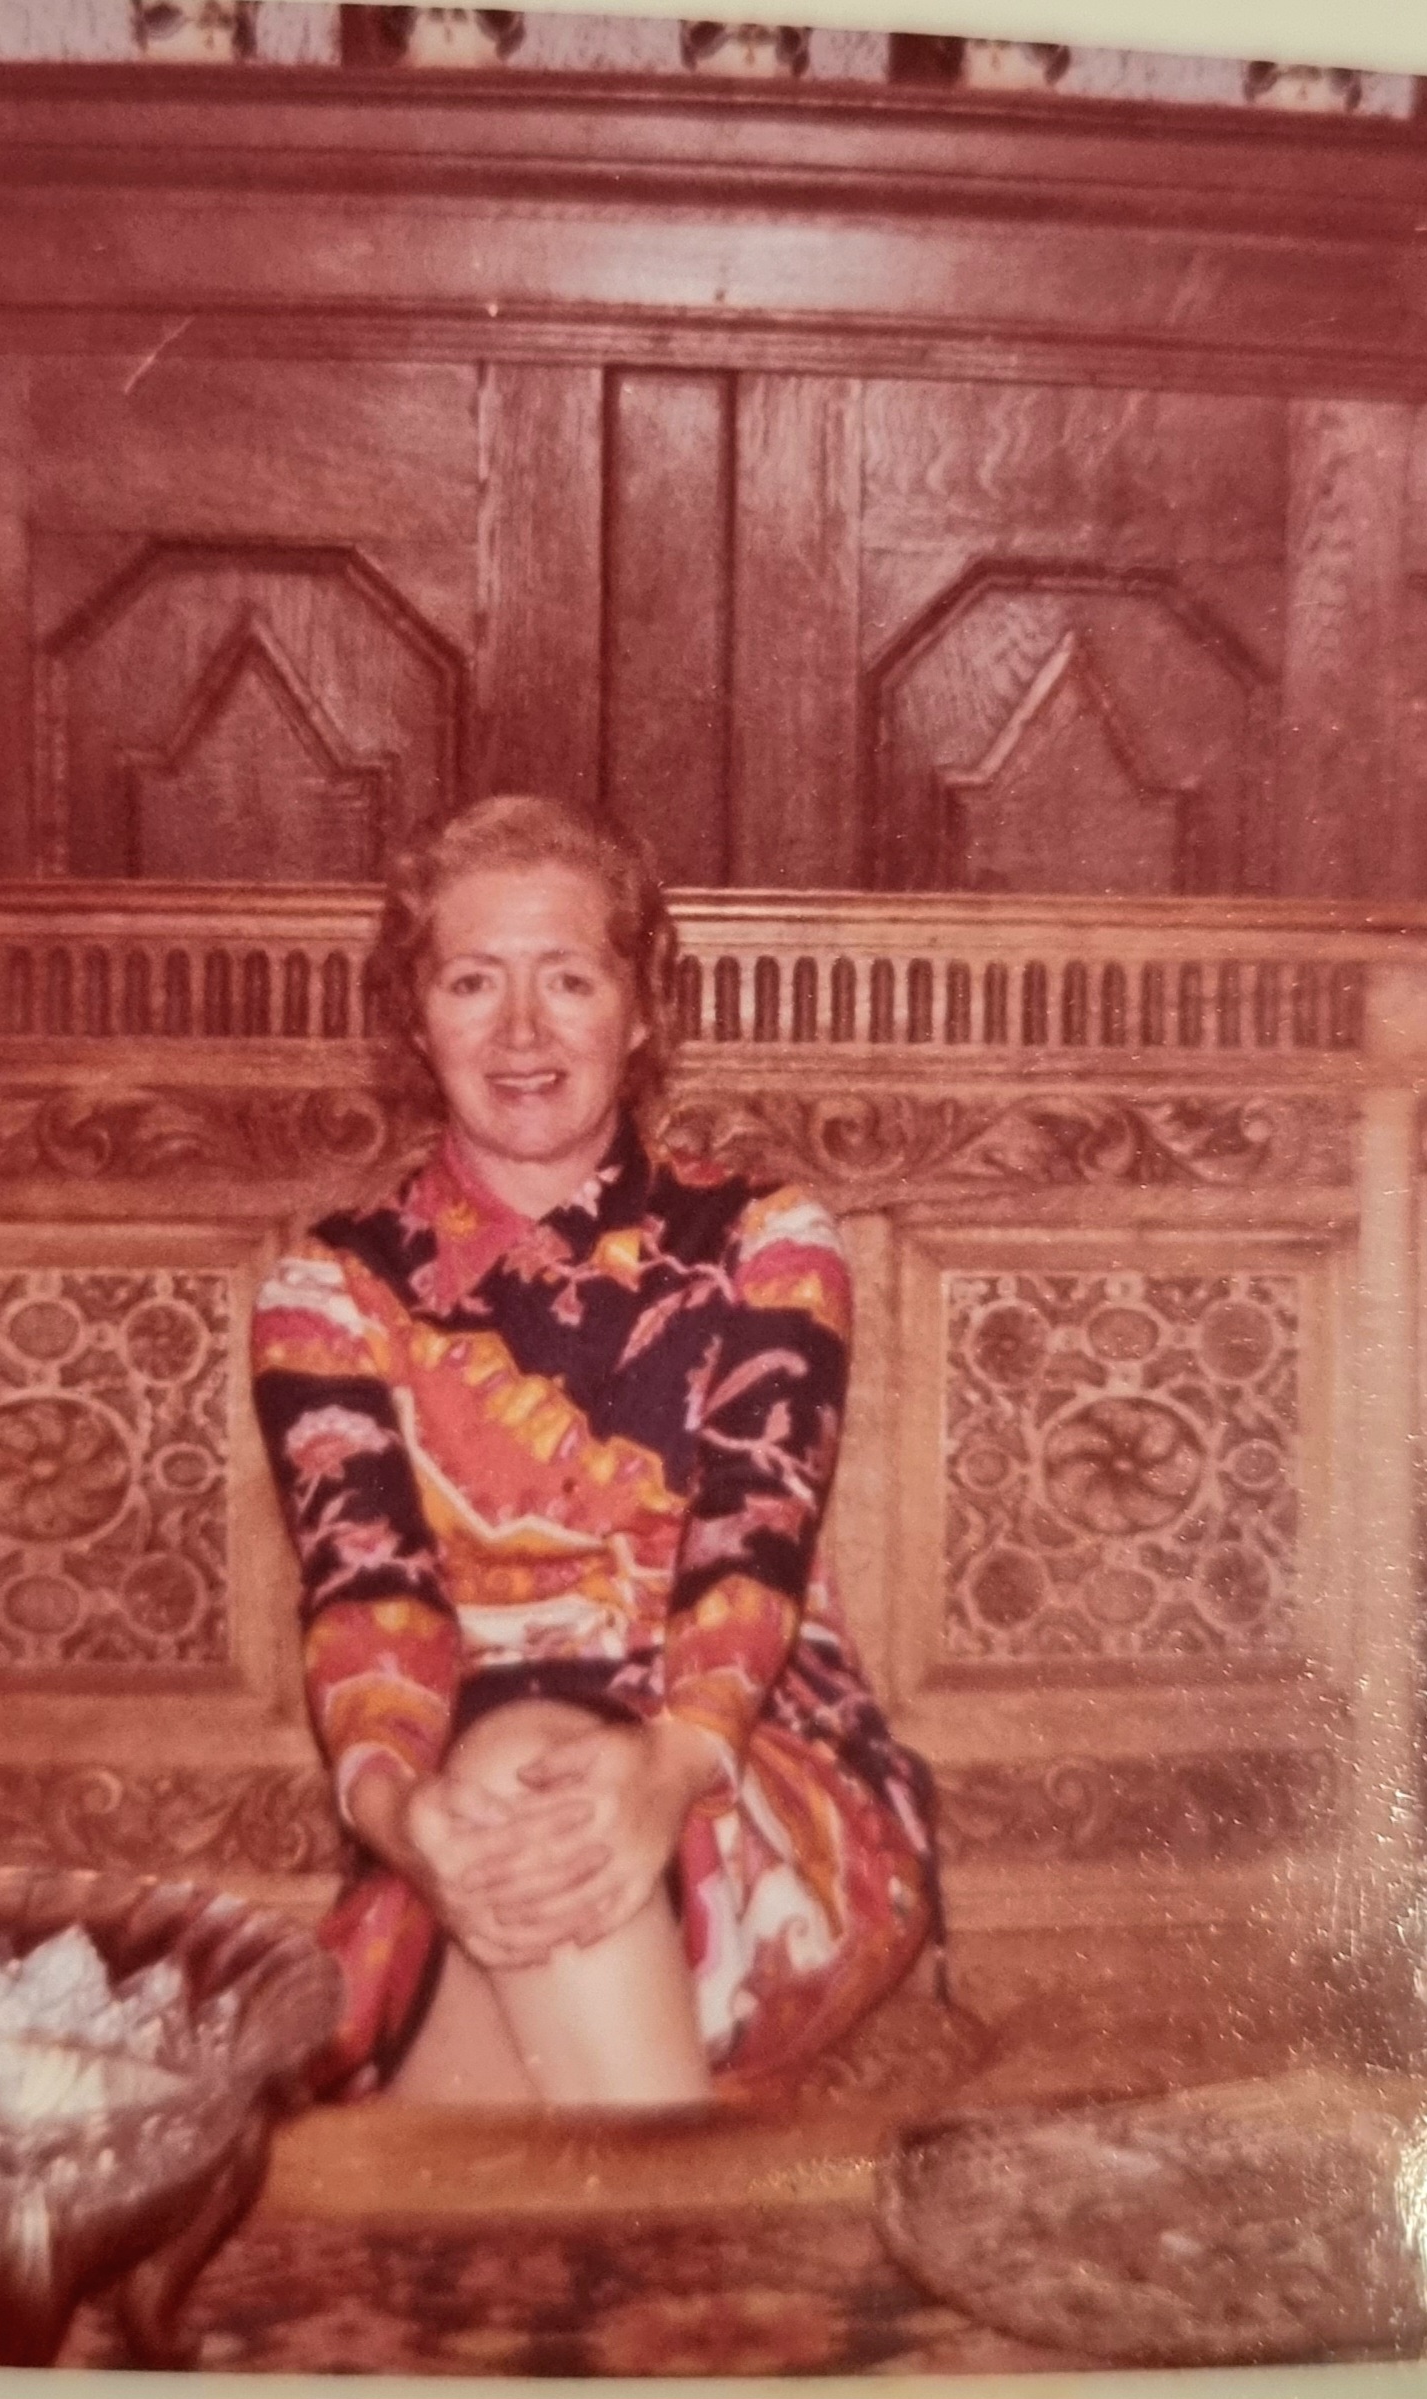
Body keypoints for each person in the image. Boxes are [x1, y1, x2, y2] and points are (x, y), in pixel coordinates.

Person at [251, 794, 938, 2106]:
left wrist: (666, 1770)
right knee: (513, 1812)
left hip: (747, 1775)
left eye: (568, 979)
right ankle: (667, 2213)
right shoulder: (330, 1290)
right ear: (417, 1020)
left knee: (528, 1787)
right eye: (472, 982)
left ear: (637, 1012)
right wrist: (404, 1824)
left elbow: (751, 1543)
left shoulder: (767, 1243)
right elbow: (366, 1593)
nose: (521, 1031)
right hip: (465, 1835)